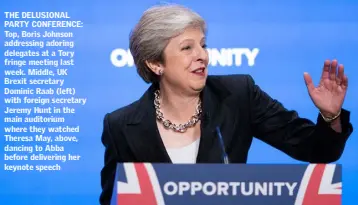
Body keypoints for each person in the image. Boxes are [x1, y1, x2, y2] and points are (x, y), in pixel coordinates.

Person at [99, 4, 353, 204]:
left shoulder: (238, 95)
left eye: (203, 45)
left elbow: (318, 151)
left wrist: (331, 116)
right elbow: (113, 200)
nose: (202, 55)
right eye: (187, 47)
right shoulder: (121, 126)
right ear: (156, 64)